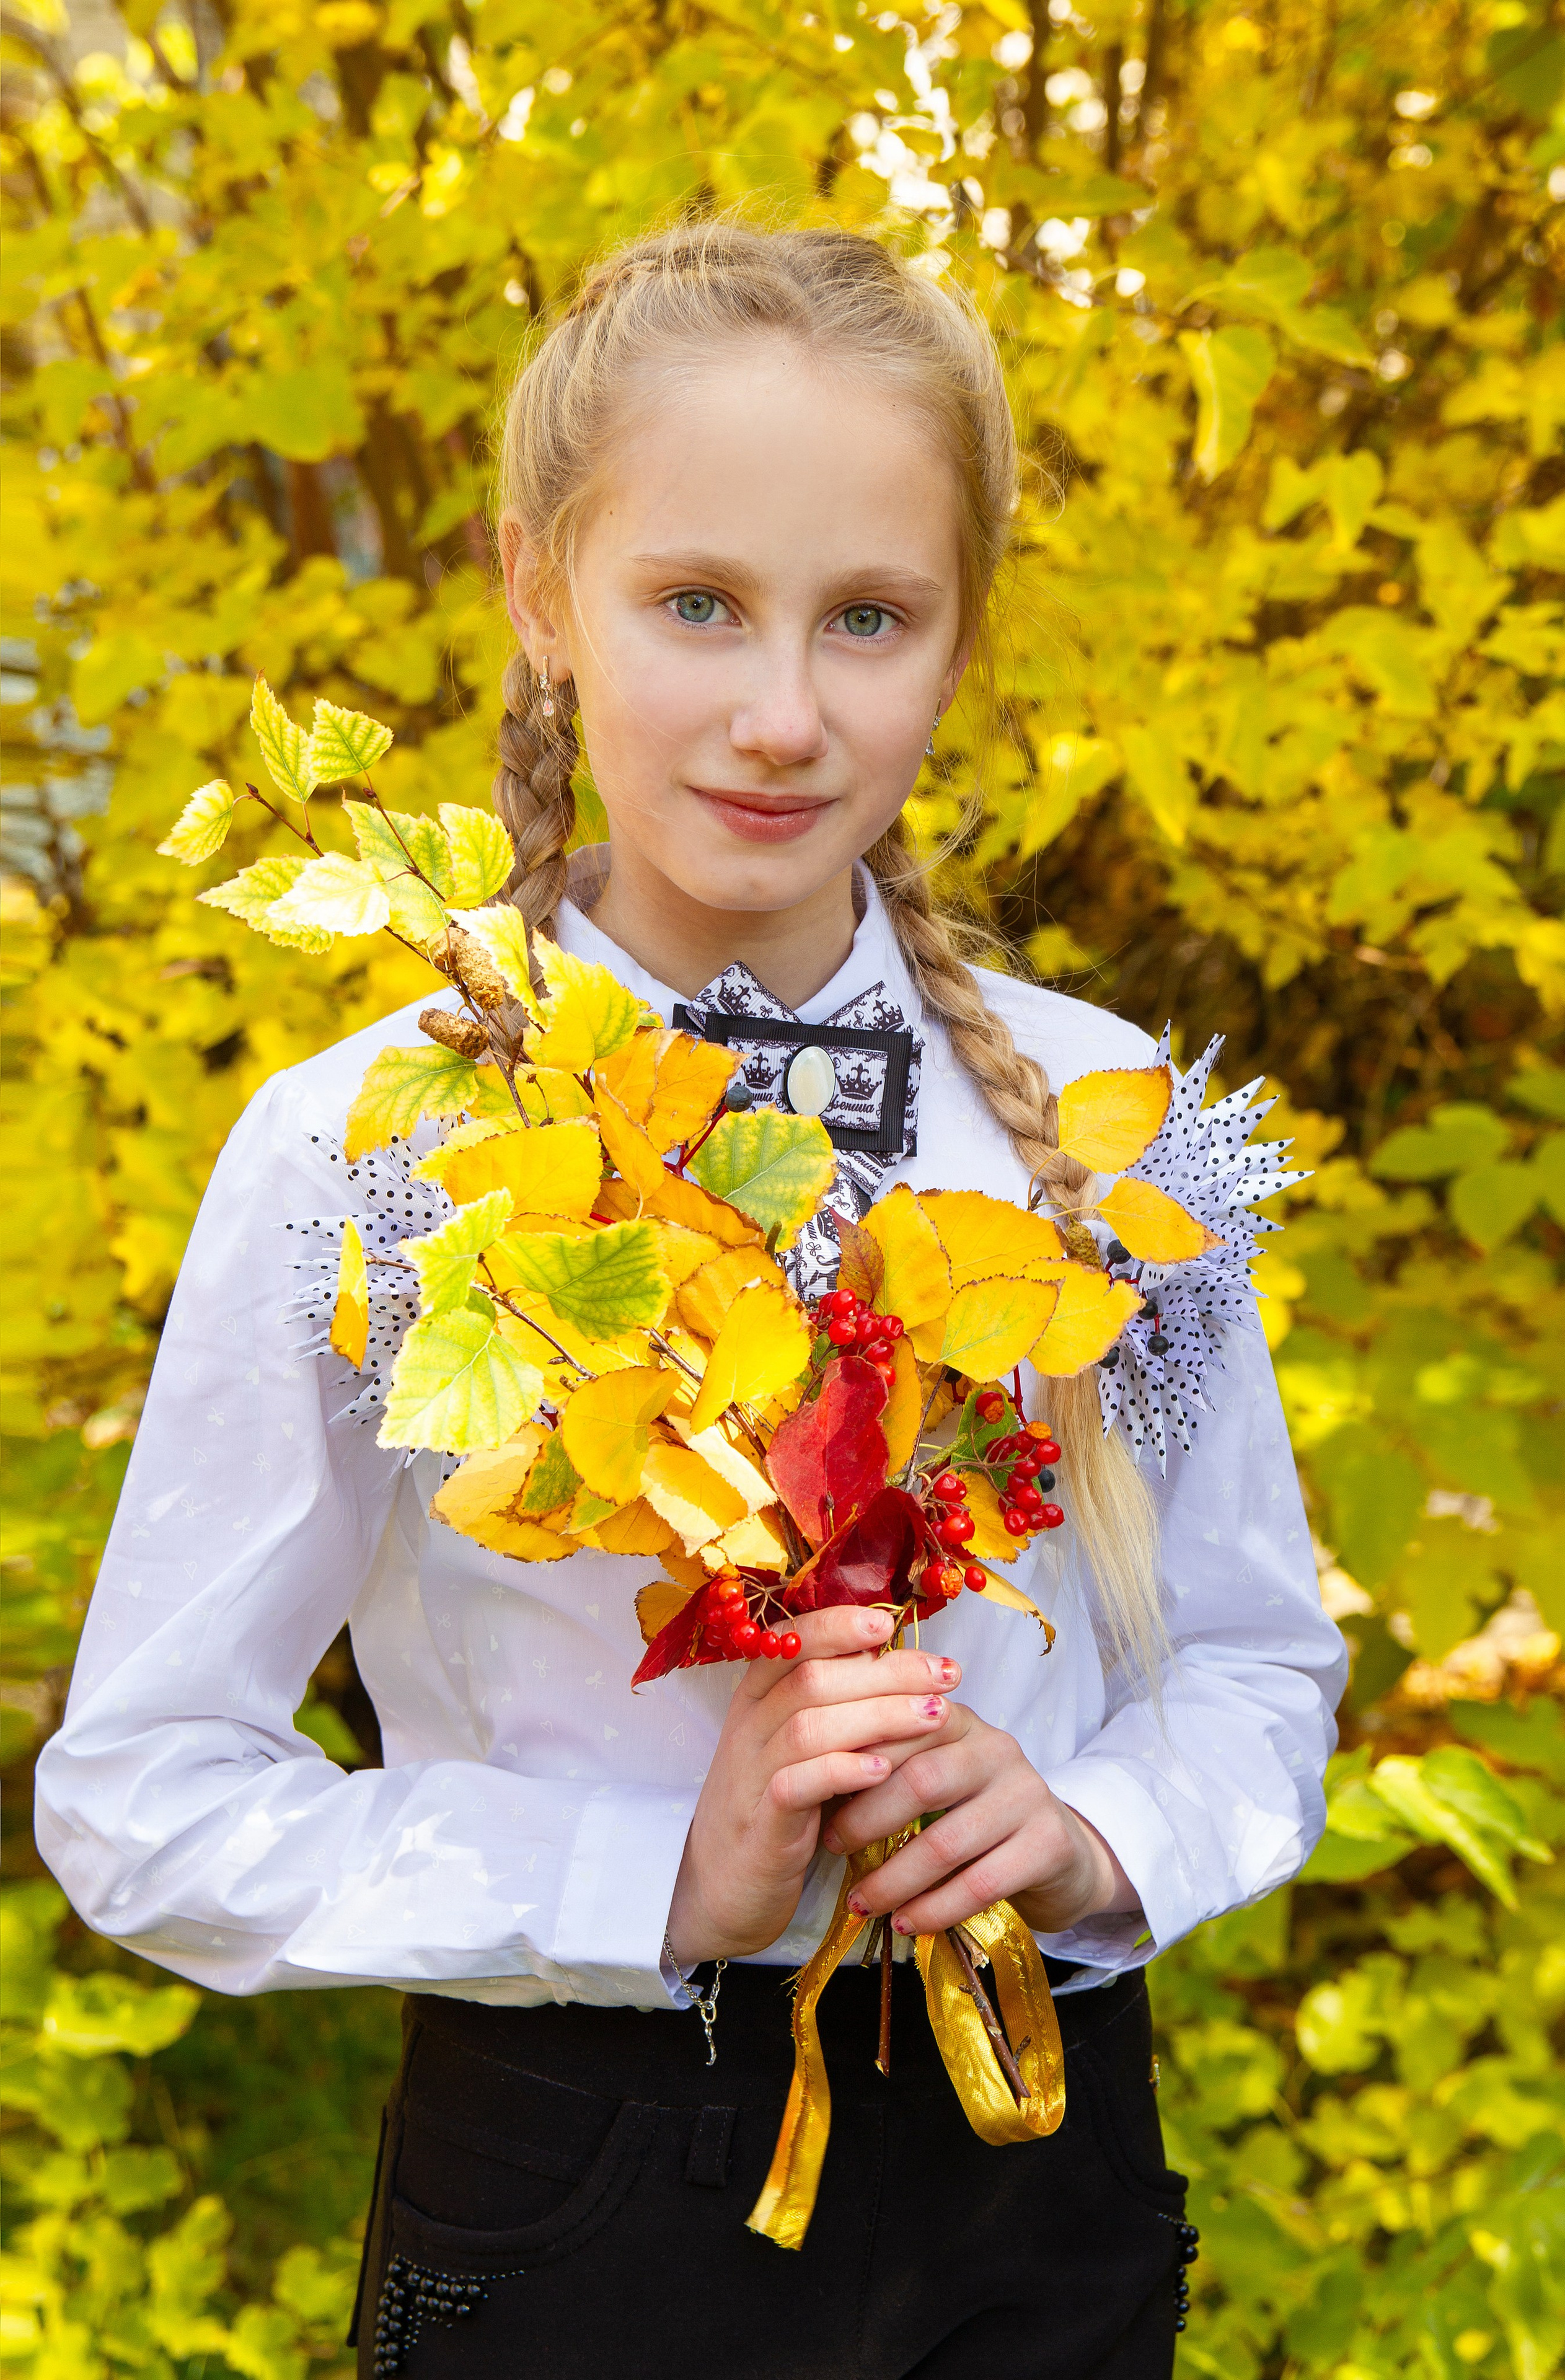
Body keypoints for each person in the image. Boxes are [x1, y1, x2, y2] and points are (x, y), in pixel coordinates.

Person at [36, 223, 1346, 2379]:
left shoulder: (1101, 1130)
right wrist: (643, 1882)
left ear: (957, 641)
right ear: (544, 595)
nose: (782, 712)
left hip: (1046, 2169)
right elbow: (148, 1790)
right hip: (587, 2185)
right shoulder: (367, 1153)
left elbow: (1254, 1664)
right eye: (696, 604)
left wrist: (1099, 1833)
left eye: (870, 619)